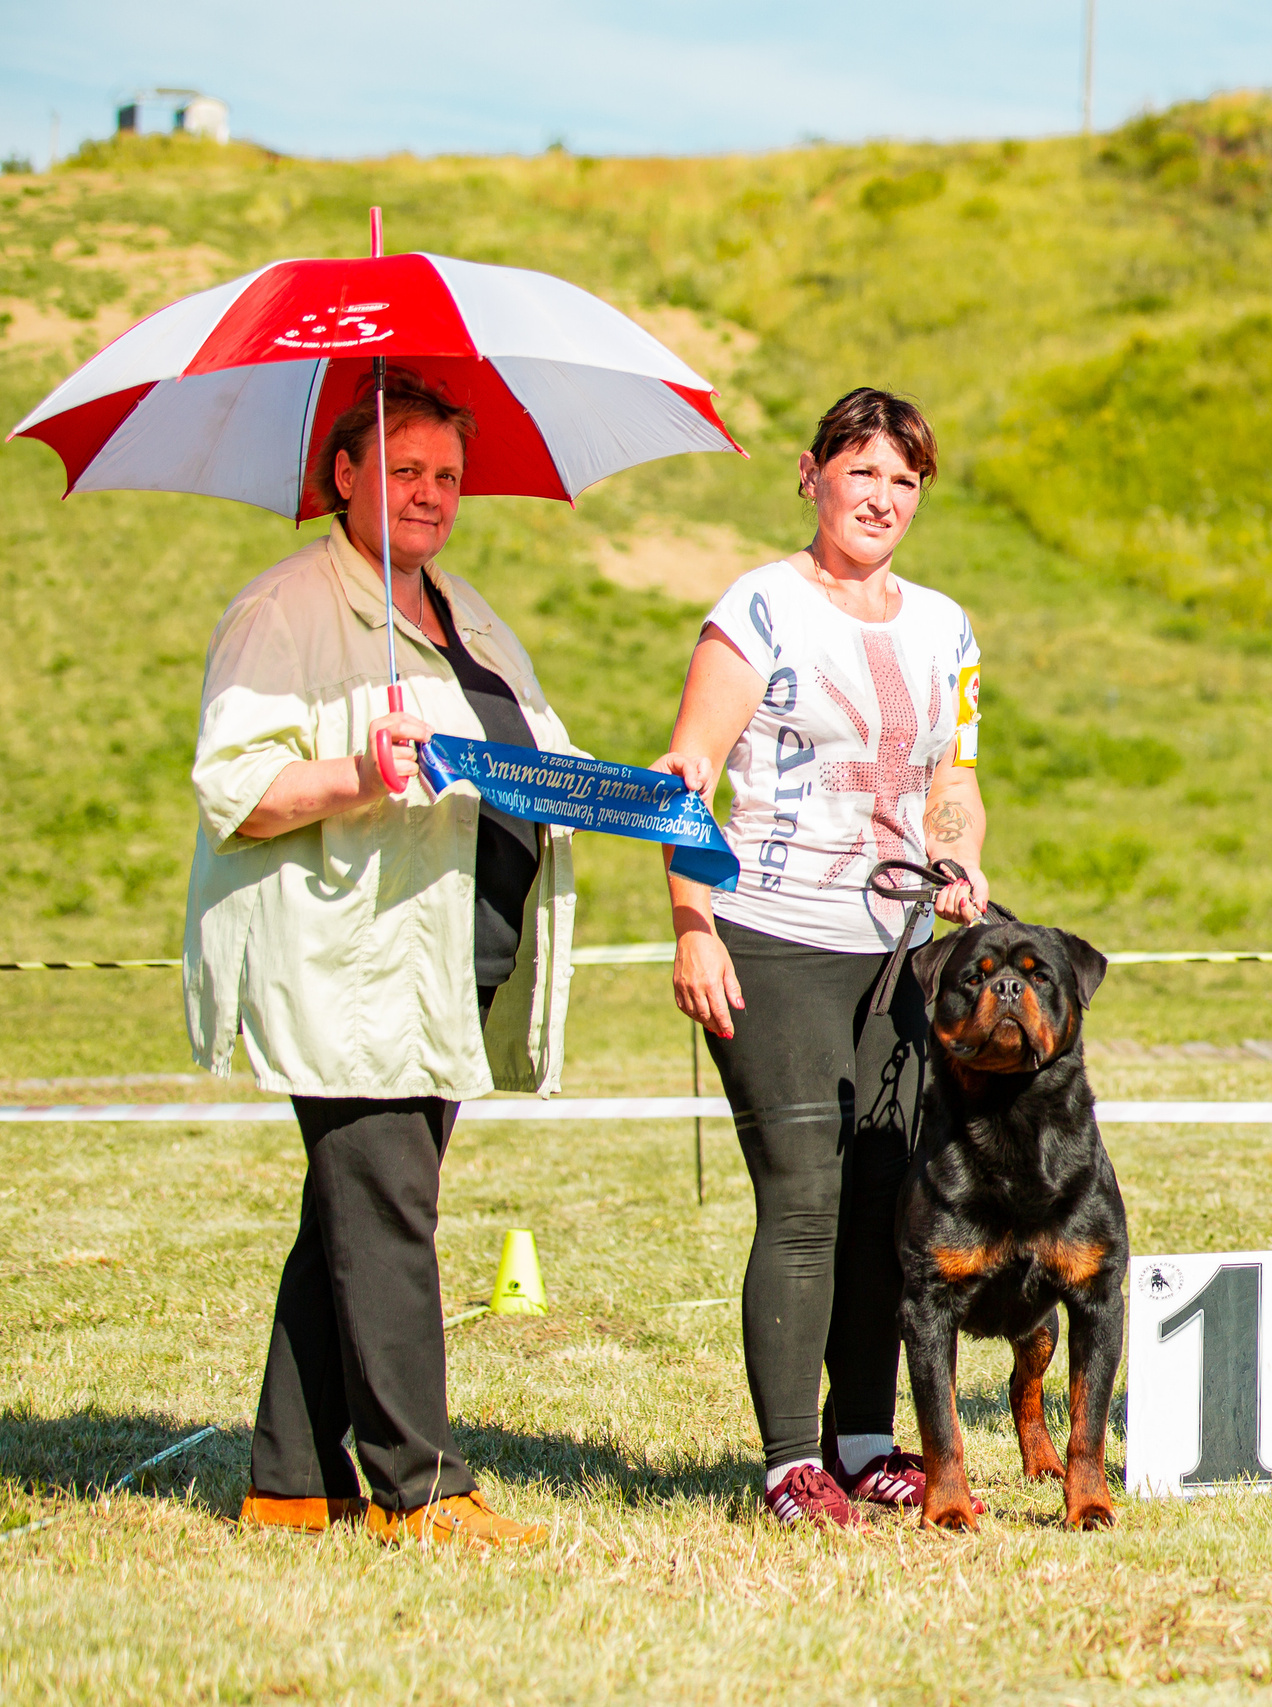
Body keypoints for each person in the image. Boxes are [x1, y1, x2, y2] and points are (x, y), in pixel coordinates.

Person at [188, 369, 573, 1547]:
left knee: (352, 1217)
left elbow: (541, 751)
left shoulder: (466, 610)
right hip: (348, 961)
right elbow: (235, 787)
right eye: (403, 468)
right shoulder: (287, 609)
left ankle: (293, 1480)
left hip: (453, 959)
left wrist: (645, 797)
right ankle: (419, 1488)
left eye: (448, 475)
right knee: (389, 1211)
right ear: (343, 472)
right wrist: (365, 773)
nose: (431, 493)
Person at [650, 389, 988, 1530]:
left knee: (888, 1206)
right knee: (803, 1199)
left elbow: (955, 782)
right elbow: (683, 772)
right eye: (862, 472)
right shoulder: (756, 608)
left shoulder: (948, 627)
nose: (883, 497)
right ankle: (790, 1463)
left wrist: (957, 864)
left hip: (895, 955)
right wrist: (693, 922)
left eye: (904, 479)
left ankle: (863, 1439)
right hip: (770, 936)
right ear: (811, 476)